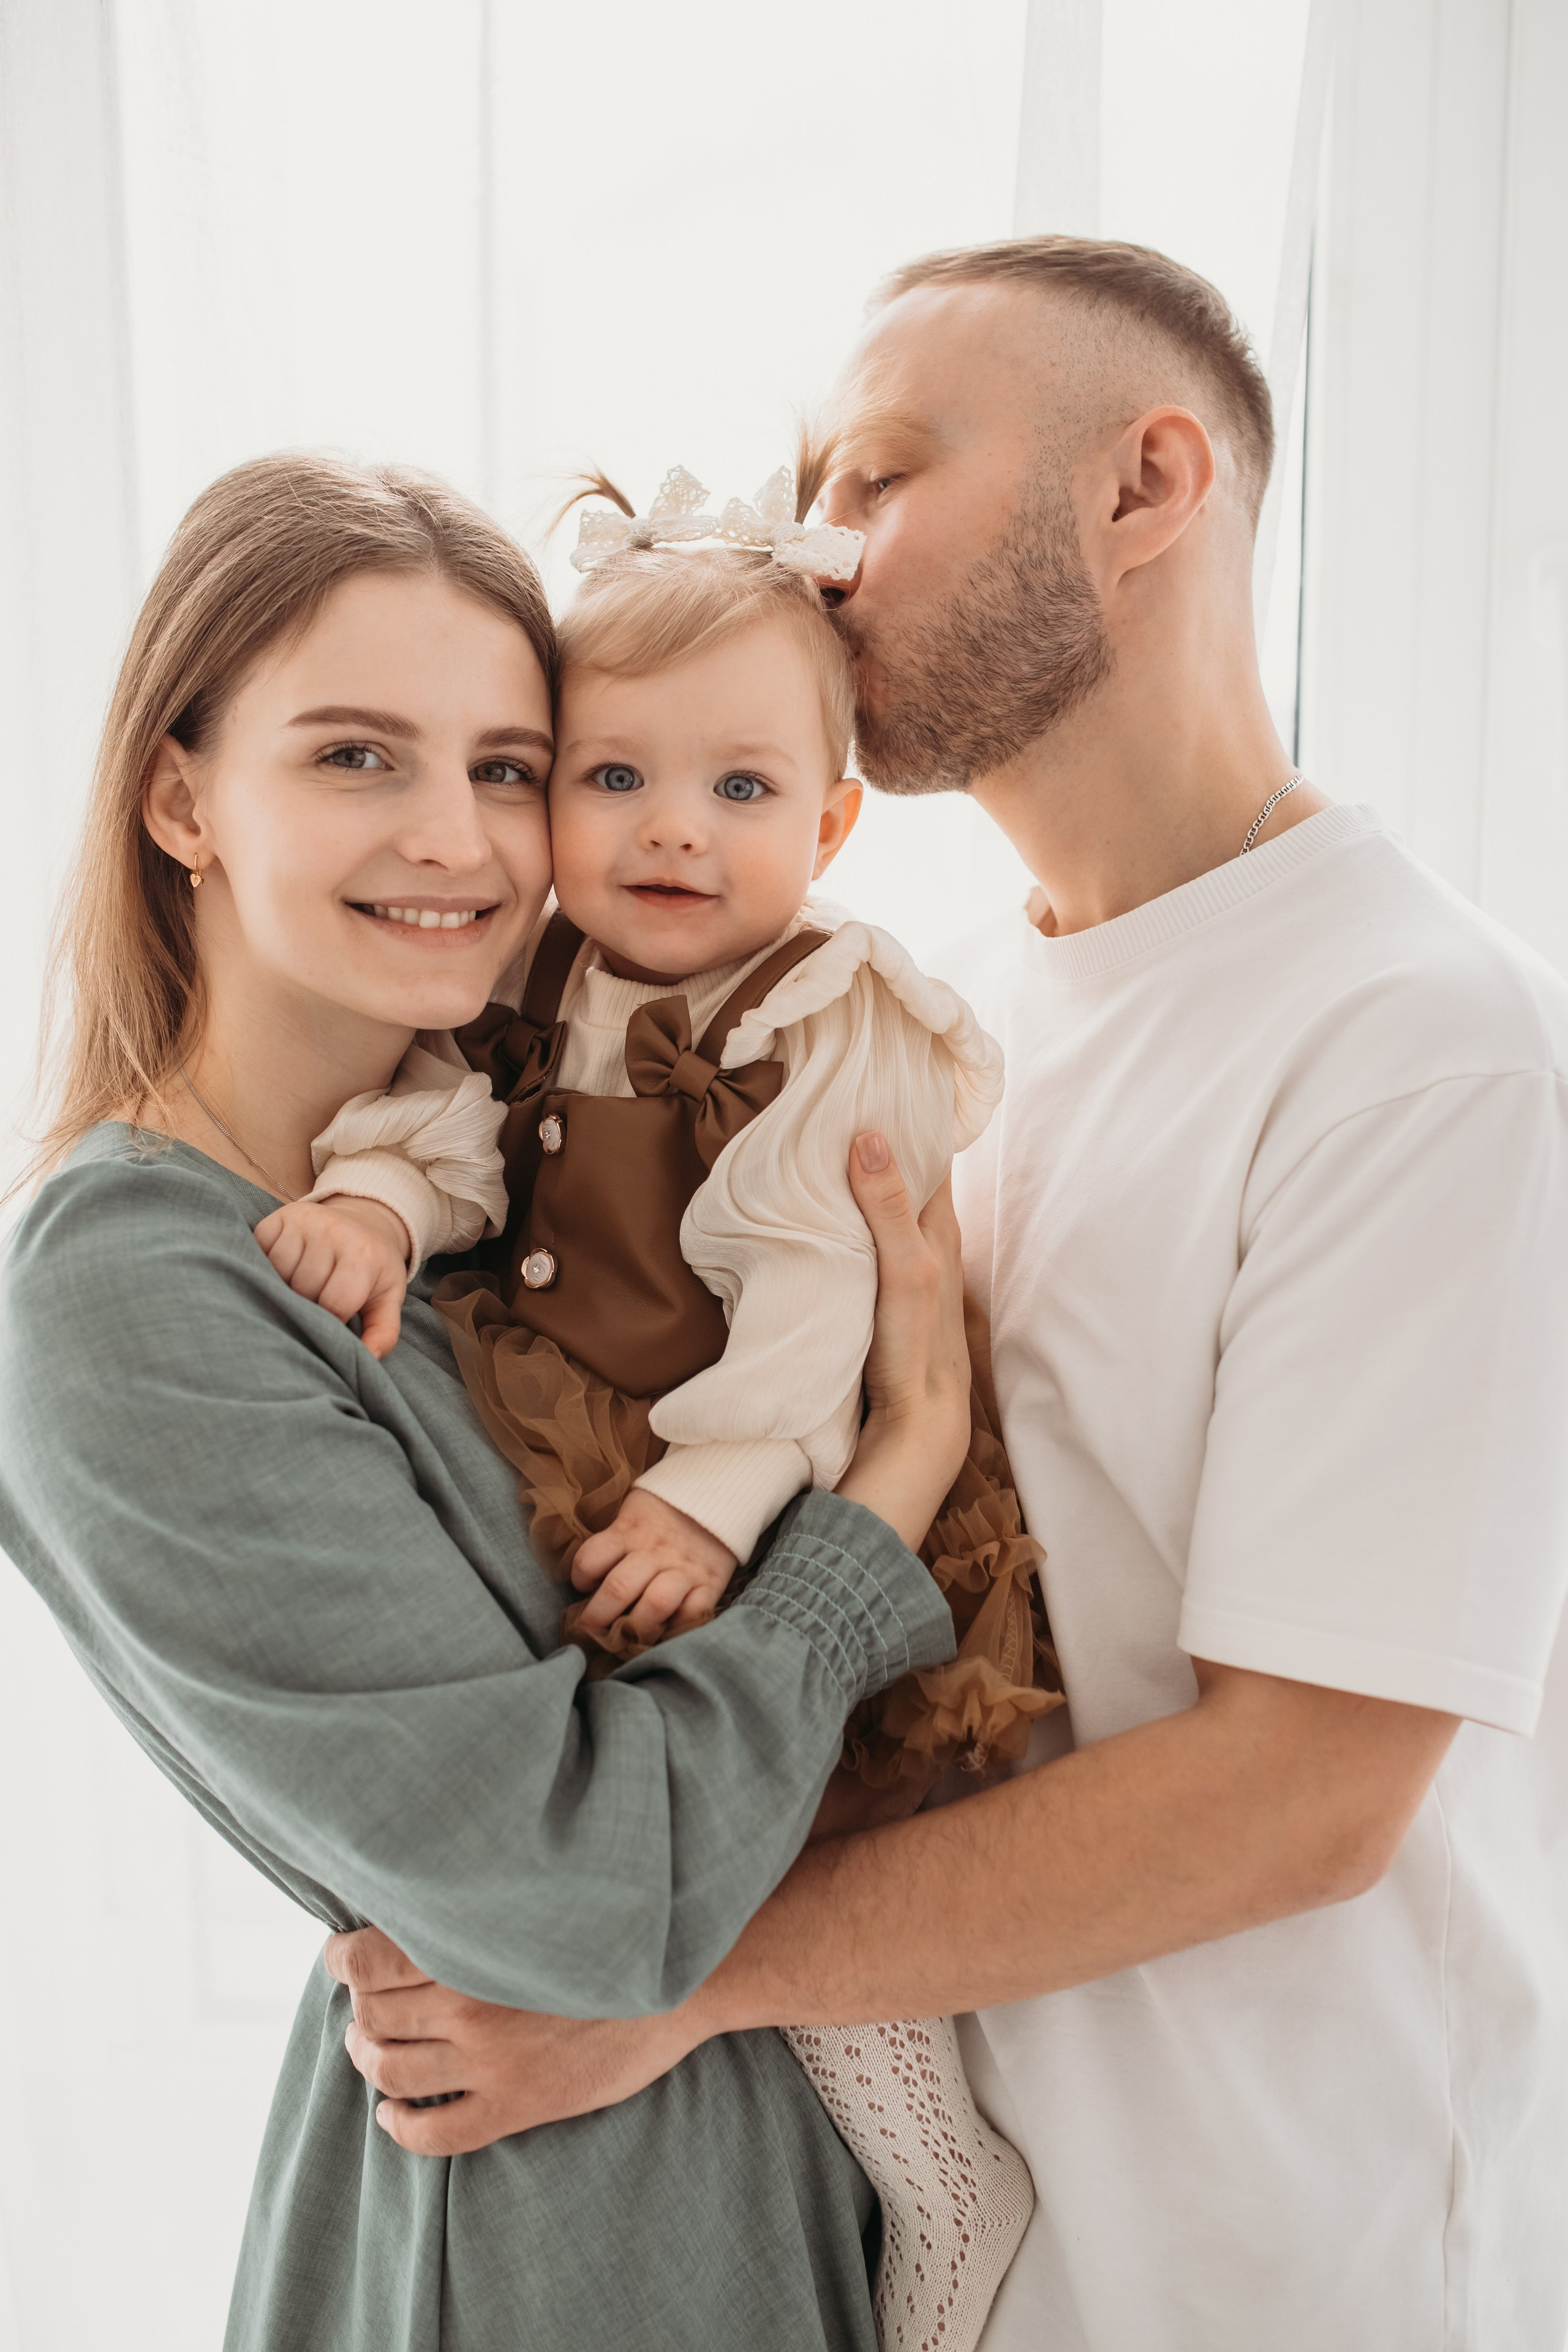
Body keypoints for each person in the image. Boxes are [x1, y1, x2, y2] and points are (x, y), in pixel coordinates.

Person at [331, 238, 1568, 2351]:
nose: (811, 560)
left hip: (1270, 2264)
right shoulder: (940, 1010)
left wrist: (662, 1978)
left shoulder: (1421, 1047)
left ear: (1145, 485)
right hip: (930, 2242)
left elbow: (1306, 1794)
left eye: (878, 475)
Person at [0, 451, 974, 2352]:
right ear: (182, 799)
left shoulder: (515, 1165)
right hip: (547, 2236)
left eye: (512, 767)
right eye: (357, 756)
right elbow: (586, 1892)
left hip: (734, 2156)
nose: (458, 839)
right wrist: (895, 1484)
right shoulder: (129, 1287)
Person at [254, 500, 1060, 2351]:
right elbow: (457, 1129)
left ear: (833, 823)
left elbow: (810, 1303)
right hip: (596, 1433)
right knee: (648, 1804)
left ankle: (939, 2170)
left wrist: (713, 1504)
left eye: (743, 790)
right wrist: (379, 1206)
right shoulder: (532, 972)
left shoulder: (828, 1017)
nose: (674, 829)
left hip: (779, 1475)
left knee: (823, 1830)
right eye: (615, 775)